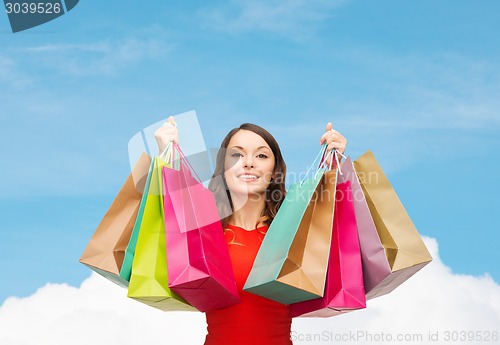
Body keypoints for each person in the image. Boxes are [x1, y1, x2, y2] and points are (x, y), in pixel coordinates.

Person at [155, 116, 347, 345]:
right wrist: (166, 155)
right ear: (223, 169)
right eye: (236, 155)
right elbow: (163, 227)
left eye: (261, 155)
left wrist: (335, 171)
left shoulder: (293, 233)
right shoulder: (205, 233)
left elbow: (340, 251)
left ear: (275, 171)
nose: (248, 162)